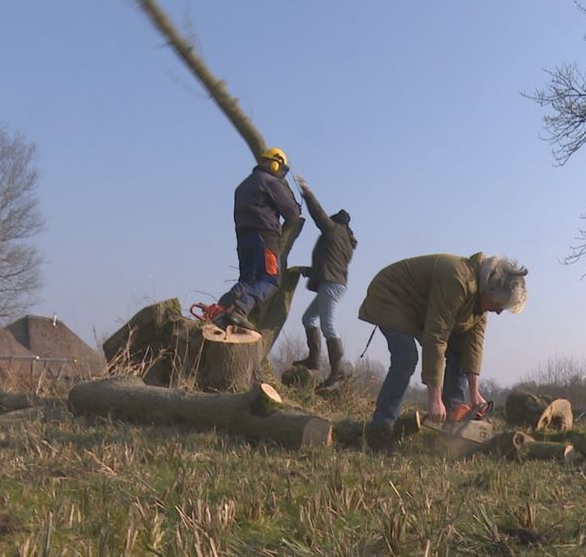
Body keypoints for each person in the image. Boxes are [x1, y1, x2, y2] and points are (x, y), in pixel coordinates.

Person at [358, 252, 527, 452]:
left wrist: (474, 393)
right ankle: (380, 428)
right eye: (499, 305)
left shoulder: (480, 300)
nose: (499, 311)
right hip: (392, 295)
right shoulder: (457, 281)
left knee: (459, 348)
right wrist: (434, 399)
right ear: (490, 290)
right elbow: (436, 337)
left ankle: (454, 417)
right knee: (406, 357)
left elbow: (473, 345)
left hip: (419, 308)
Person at [213, 147, 303, 331]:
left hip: (244, 239)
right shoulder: (270, 182)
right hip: (265, 237)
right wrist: (292, 200)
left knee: (248, 280)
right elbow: (292, 213)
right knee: (271, 279)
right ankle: (240, 309)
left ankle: (221, 308)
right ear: (276, 164)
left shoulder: (243, 186)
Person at [291, 175, 357, 389]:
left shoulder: (334, 231)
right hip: (335, 284)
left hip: (331, 285)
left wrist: (306, 191)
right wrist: (307, 270)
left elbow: (318, 214)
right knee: (309, 318)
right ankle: (314, 360)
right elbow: (330, 264)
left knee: (328, 325)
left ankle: (337, 372)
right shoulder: (346, 241)